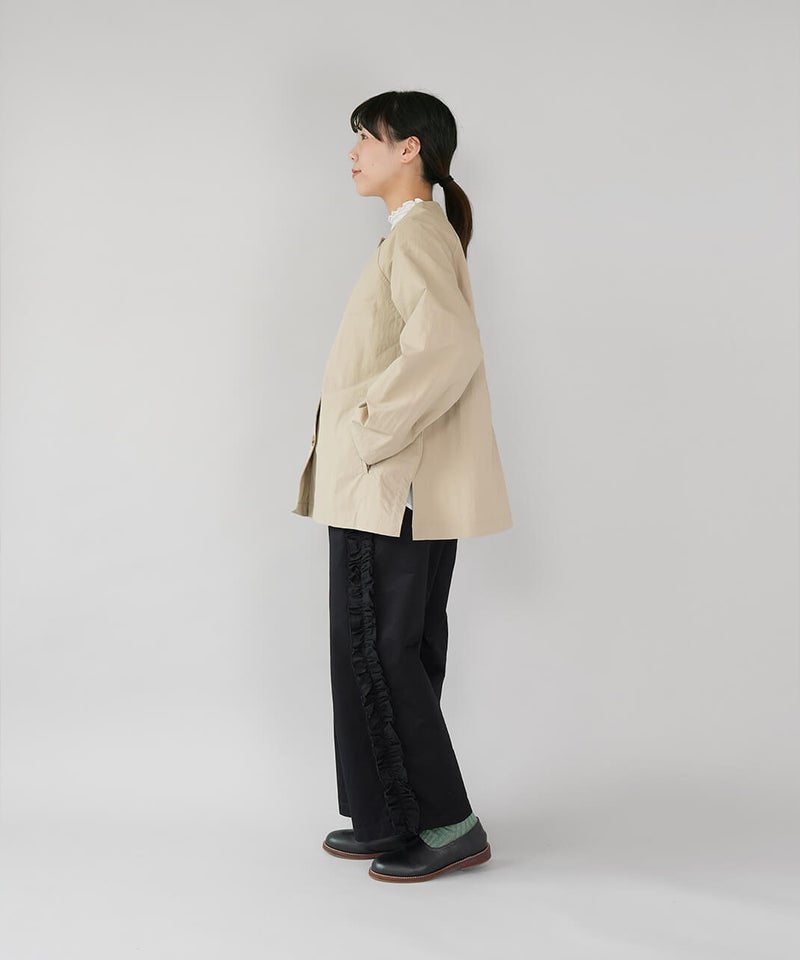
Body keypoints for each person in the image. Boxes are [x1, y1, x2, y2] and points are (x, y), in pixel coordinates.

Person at [291, 90, 513, 882]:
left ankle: (449, 824)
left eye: (365, 137)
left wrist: (364, 431)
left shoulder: (417, 233)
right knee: (390, 648)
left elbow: (445, 347)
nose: (353, 152)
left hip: (391, 486)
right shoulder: (418, 233)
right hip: (395, 485)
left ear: (409, 148)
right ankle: (394, 818)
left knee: (380, 648)